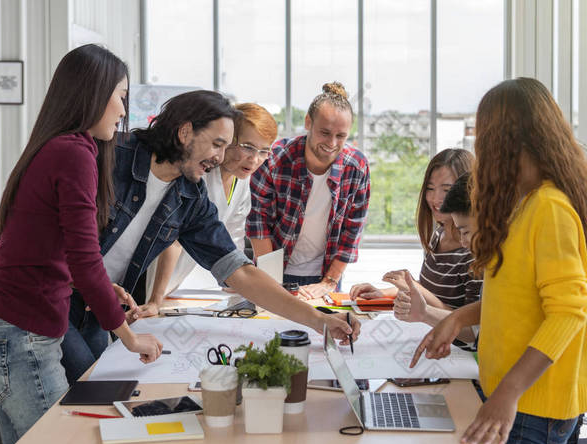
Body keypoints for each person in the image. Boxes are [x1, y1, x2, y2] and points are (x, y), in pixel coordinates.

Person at [61, 91, 359, 384]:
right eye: (217, 144)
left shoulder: (190, 196)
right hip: (56, 297)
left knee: (95, 386)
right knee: (80, 391)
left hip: (99, 303)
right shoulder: (113, 156)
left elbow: (239, 270)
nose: (219, 158)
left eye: (225, 146)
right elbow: (56, 239)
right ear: (185, 132)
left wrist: (320, 321)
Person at [0, 44, 164, 444]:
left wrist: (104, 290)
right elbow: (85, 258)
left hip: (9, 328)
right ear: (93, 94)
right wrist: (129, 338)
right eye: (120, 97)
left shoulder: (61, 146)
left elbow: (50, 252)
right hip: (20, 334)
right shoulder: (72, 153)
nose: (124, 111)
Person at [410, 77, 587, 444]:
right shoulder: (525, 204)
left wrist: (507, 393)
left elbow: (567, 313)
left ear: (506, 139)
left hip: (534, 405)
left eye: (483, 136)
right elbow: (518, 300)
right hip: (522, 398)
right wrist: (458, 318)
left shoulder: (548, 208)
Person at [139, 103, 278, 312]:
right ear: (228, 138)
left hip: (187, 288)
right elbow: (172, 242)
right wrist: (155, 299)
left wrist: (239, 283)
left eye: (264, 151)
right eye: (248, 147)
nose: (255, 159)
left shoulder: (242, 183)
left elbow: (233, 240)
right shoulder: (199, 174)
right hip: (154, 281)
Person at [246, 82, 370, 300]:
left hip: (326, 276)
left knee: (324, 331)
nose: (332, 143)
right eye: (325, 132)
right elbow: (259, 226)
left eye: (341, 136)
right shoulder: (274, 159)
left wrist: (328, 283)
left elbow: (352, 233)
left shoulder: (357, 167)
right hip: (273, 271)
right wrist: (277, 285)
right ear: (308, 122)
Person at [350, 149, 481, 331]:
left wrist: (415, 290)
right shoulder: (437, 234)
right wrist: (385, 293)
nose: (435, 198)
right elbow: (429, 293)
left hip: (456, 351)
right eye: (430, 189)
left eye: (446, 190)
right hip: (427, 334)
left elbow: (471, 329)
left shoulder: (474, 250)